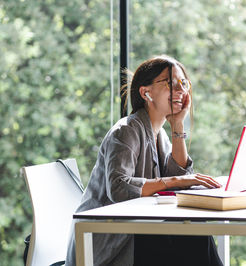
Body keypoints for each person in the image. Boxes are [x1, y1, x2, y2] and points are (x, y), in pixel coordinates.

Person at [65, 55, 223, 266]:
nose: (180, 90)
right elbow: (118, 188)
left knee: (195, 234)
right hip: (104, 244)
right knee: (194, 238)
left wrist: (177, 126)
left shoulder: (160, 135)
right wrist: (177, 181)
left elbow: (179, 180)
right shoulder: (126, 130)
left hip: (137, 232)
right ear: (145, 92)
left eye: (183, 83)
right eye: (169, 83)